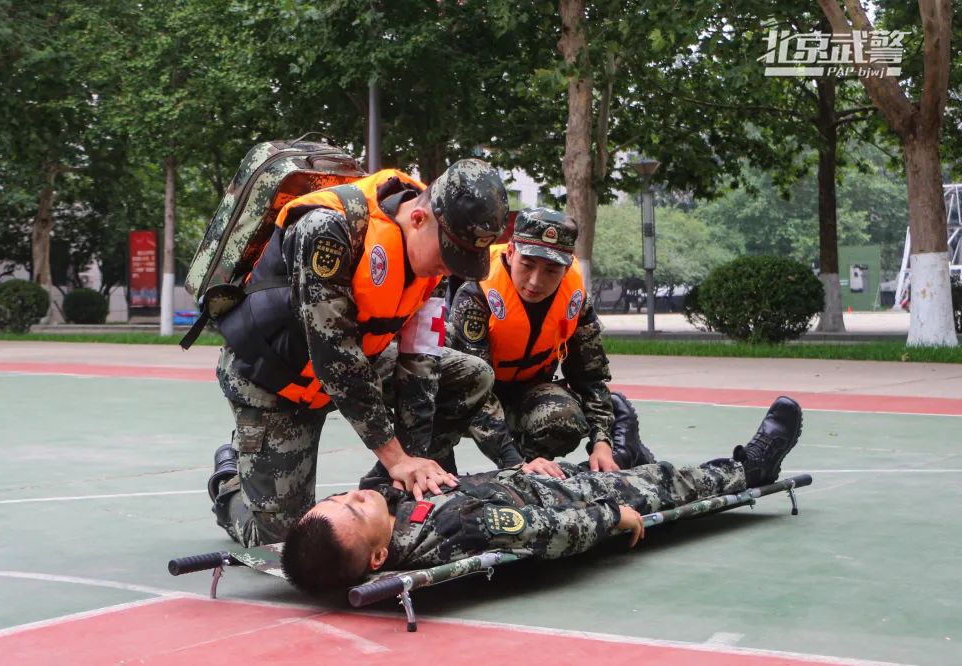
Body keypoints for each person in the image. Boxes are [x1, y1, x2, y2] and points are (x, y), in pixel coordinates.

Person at [206, 159, 509, 548]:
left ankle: (384, 492)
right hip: (276, 383)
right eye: (449, 254)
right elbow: (335, 356)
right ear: (418, 218)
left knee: (471, 374)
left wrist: (409, 463)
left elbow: (421, 359)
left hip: (357, 366)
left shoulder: (430, 261)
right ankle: (230, 481)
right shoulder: (328, 230)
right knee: (279, 540)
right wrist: (395, 457)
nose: (450, 270)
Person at [281, 397, 803, 594]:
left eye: (336, 497)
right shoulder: (454, 532)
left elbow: (382, 485)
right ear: (377, 557)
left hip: (535, 477)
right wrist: (611, 516)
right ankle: (748, 467)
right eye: (353, 507)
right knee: (668, 483)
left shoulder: (390, 511)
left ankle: (626, 451)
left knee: (624, 467)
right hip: (570, 501)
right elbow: (546, 534)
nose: (355, 494)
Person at [446, 207, 654, 473]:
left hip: (527, 392)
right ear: (510, 253)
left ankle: (538, 469)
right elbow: (474, 393)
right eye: (528, 265)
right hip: (467, 400)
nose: (536, 281)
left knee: (562, 418)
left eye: (551, 270)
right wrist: (514, 464)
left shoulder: (574, 301)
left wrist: (602, 441)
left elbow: (590, 377)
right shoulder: (477, 295)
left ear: (567, 269)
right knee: (430, 400)